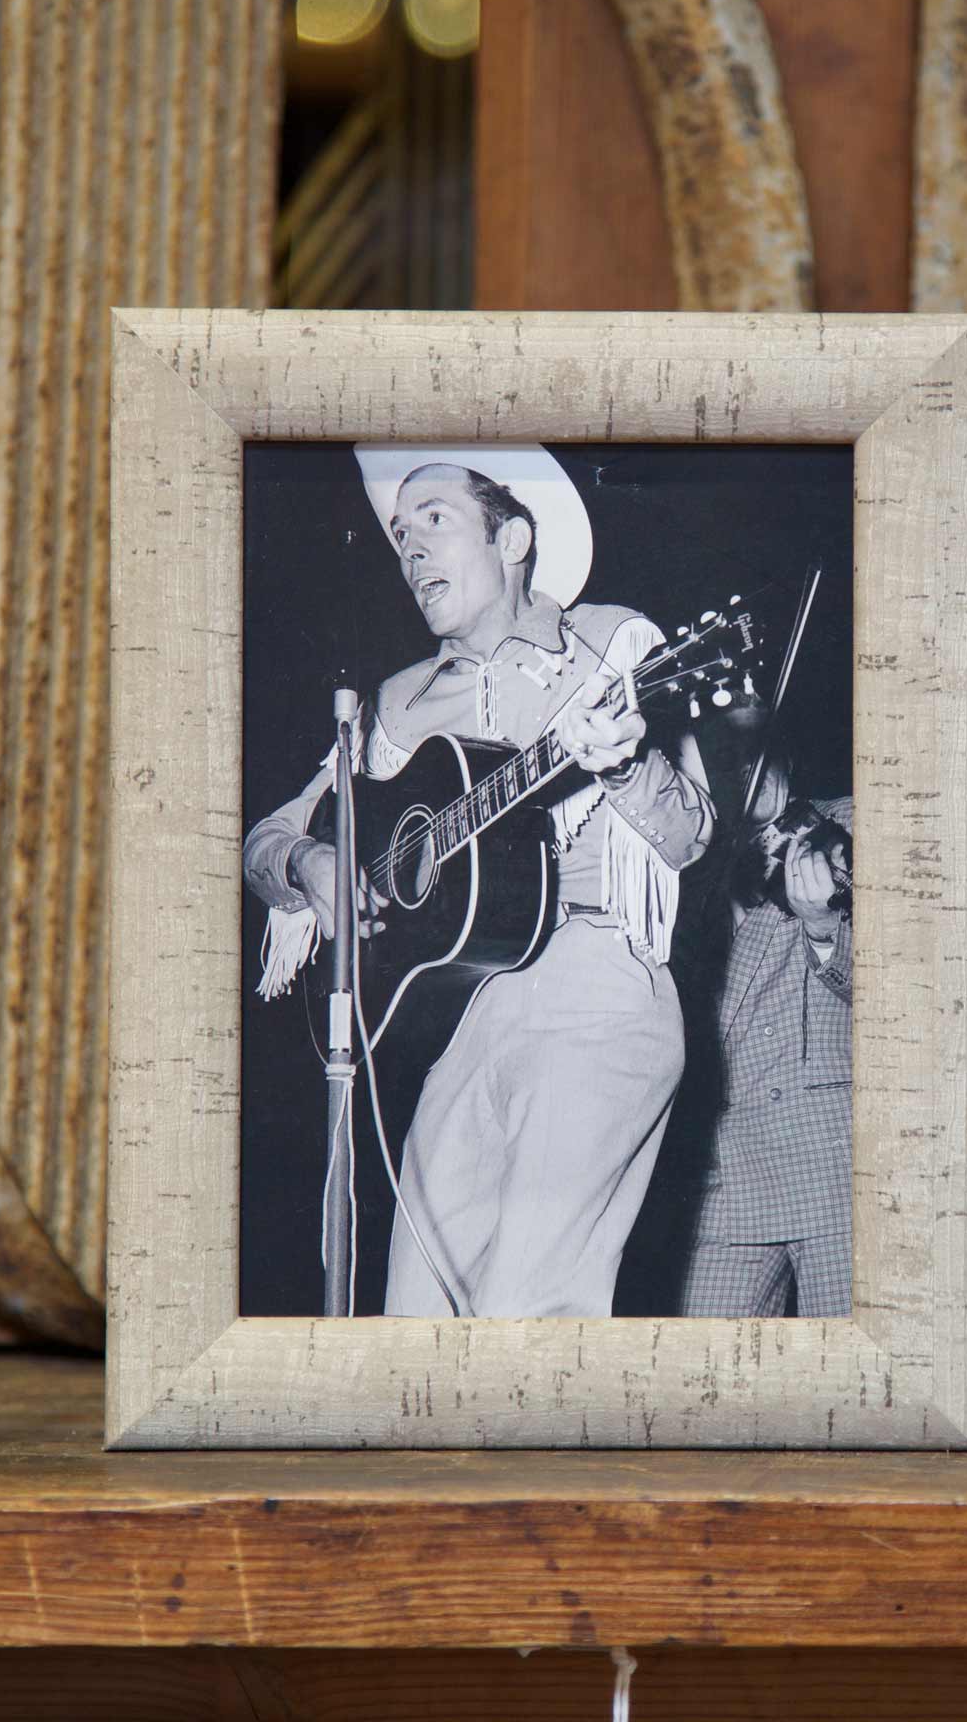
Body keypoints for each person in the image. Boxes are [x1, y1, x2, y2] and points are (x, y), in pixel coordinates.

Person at [243, 444, 713, 1320]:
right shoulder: (399, 706)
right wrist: (310, 863)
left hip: (600, 990)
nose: (408, 549)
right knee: (416, 1307)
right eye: (397, 534)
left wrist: (621, 768)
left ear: (514, 539)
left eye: (434, 520)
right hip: (465, 1017)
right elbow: (269, 835)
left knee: (529, 1308)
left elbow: (689, 836)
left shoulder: (613, 643)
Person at [679, 754, 852, 1320]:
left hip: (832, 1167)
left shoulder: (847, 825)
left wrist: (825, 928)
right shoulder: (676, 864)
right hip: (724, 1176)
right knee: (705, 1387)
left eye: (751, 756)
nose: (737, 772)